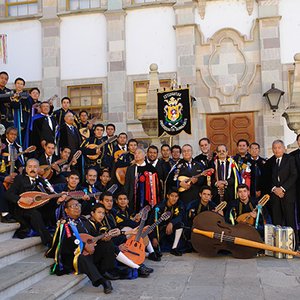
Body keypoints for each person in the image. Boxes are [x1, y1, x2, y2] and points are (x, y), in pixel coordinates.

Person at [46, 198, 113, 294]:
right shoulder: (65, 224)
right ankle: (103, 282)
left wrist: (102, 237)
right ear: (66, 210)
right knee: (82, 257)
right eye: (73, 206)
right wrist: (84, 246)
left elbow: (94, 235)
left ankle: (103, 270)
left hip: (89, 251)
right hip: (74, 254)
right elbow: (68, 241)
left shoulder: (84, 220)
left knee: (107, 245)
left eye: (78, 205)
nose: (77, 207)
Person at [5, 158, 59, 245]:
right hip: (22, 209)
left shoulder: (42, 181)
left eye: (35, 167)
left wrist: (59, 200)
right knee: (35, 214)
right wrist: (20, 199)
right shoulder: (19, 179)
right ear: (26, 169)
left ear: (39, 169)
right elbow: (8, 194)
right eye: (30, 167)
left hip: (38, 208)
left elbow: (50, 196)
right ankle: (49, 242)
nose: (32, 169)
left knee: (55, 207)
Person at [263, 140, 298, 245]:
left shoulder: (290, 159)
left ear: (284, 148)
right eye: (274, 148)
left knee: (290, 221)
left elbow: (294, 175)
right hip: (275, 196)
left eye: (279, 147)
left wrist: (282, 188)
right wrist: (274, 189)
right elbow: (269, 178)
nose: (277, 150)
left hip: (287, 195)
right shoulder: (271, 161)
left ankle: (293, 245)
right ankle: (278, 245)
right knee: (277, 221)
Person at [149, 188, 185, 256]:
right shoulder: (159, 207)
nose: (174, 198)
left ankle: (174, 248)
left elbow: (180, 216)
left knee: (180, 225)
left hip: (170, 230)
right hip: (159, 230)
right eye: (172, 196)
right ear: (167, 196)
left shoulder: (179, 204)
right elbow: (151, 222)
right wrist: (153, 237)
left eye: (176, 196)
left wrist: (171, 223)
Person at [124, 147, 160, 213]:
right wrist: (126, 199)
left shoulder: (151, 169)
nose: (136, 155)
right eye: (135, 153)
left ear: (145, 155)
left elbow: (156, 187)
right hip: (133, 199)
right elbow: (127, 185)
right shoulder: (130, 168)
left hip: (148, 199)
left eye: (139, 153)